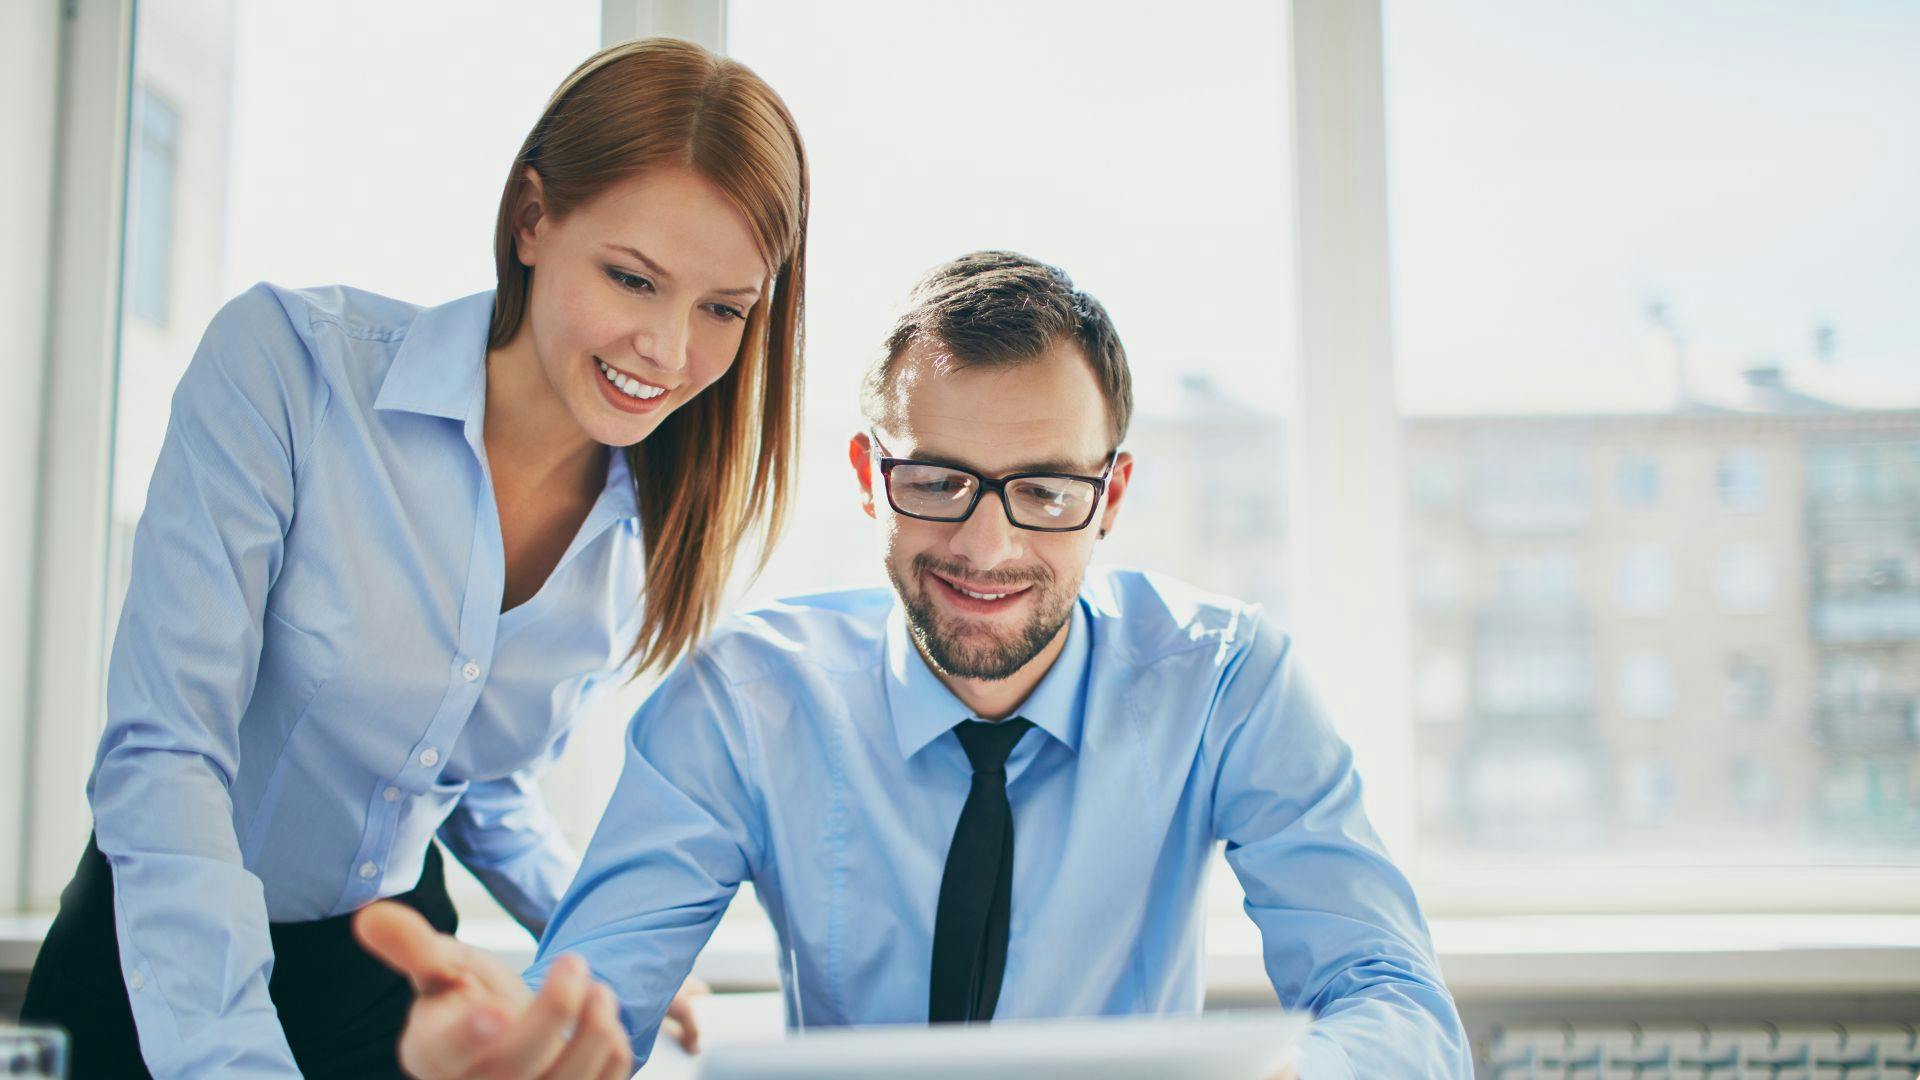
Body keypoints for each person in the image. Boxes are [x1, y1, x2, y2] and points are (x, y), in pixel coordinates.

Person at [357, 251, 1472, 1079]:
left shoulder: (1225, 682)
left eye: (1044, 491)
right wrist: (519, 1053)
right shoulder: (748, 702)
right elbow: (595, 996)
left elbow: (1392, 999)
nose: (986, 549)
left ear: (1111, 499)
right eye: (937, 481)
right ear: (866, 475)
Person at [20, 37, 809, 1079]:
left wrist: (591, 950)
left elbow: (475, 788)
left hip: (390, 979)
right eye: (632, 278)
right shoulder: (289, 370)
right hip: (162, 956)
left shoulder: (644, 518)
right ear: (532, 220)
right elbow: (164, 756)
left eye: (723, 310)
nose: (669, 351)